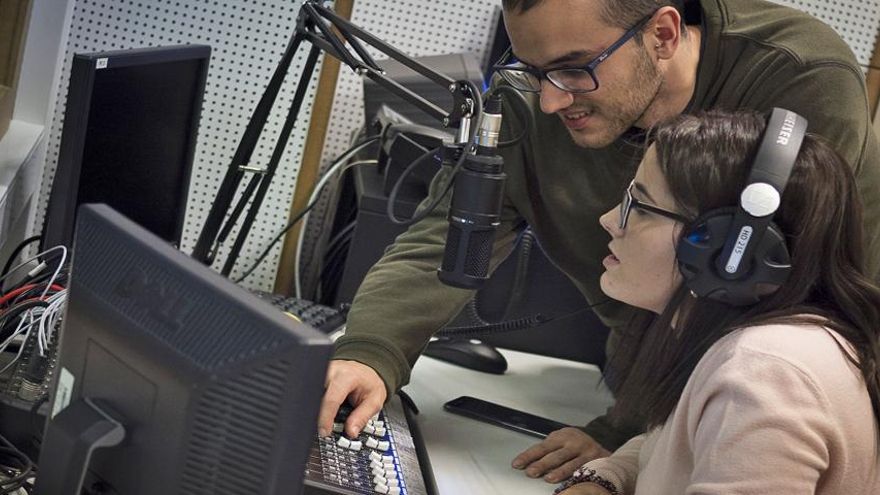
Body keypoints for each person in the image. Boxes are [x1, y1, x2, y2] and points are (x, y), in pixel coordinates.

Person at [318, 0, 880, 483]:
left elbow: (753, 286)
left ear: (661, 34)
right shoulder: (537, 97)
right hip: (651, 383)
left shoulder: (797, 76)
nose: (549, 103)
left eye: (572, 69)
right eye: (531, 69)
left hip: (766, 389)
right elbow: (443, 236)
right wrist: (370, 352)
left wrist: (629, 431)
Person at [554, 109, 880, 494]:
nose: (610, 220)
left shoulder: (765, 374)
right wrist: (604, 480)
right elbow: (675, 448)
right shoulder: (757, 343)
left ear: (731, 252)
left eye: (639, 207)